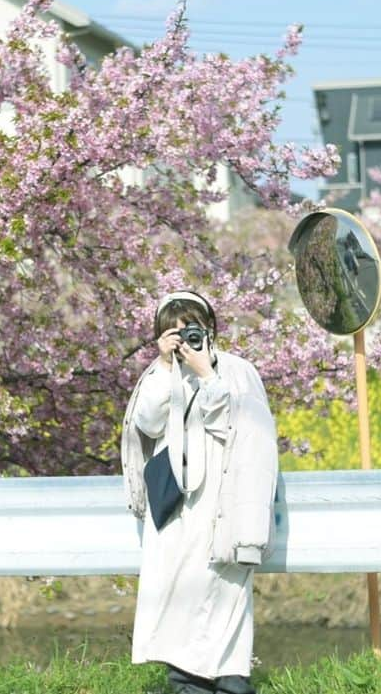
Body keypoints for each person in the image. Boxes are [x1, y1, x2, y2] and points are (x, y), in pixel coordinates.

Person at [120, 290, 279, 694]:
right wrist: (162, 364)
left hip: (221, 506)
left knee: (223, 600)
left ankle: (230, 685)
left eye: (192, 331)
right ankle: (187, 685)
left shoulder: (237, 371)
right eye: (172, 333)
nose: (184, 341)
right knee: (180, 604)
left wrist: (207, 374)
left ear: (209, 330)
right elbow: (149, 424)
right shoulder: (159, 373)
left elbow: (237, 427)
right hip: (177, 510)